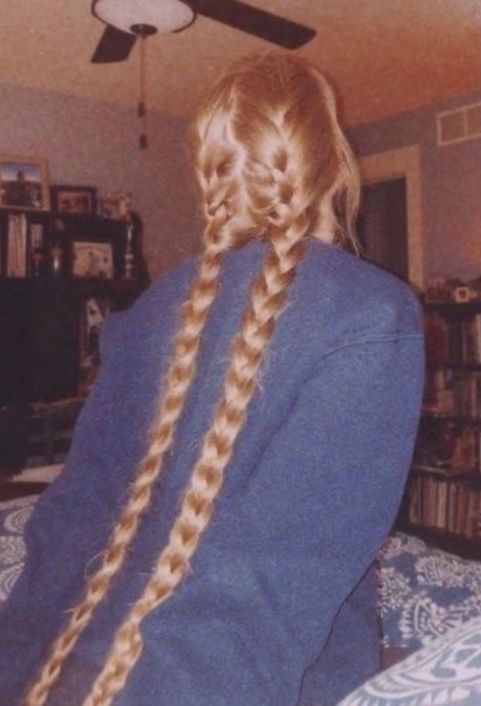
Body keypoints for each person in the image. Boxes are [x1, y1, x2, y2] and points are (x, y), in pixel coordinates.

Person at [0, 53, 424, 706]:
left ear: (212, 173)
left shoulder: (146, 311)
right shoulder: (373, 314)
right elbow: (271, 580)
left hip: (70, 660)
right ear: (334, 163)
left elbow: (68, 524)